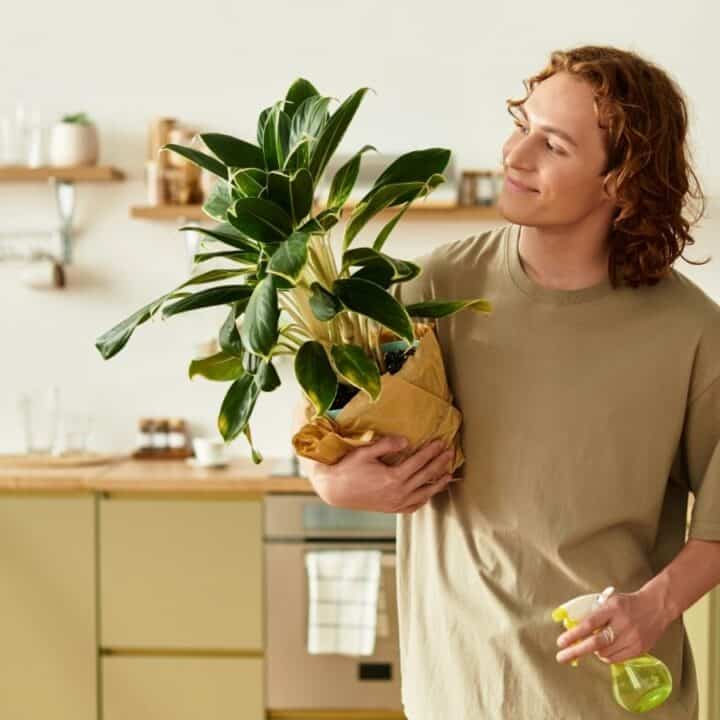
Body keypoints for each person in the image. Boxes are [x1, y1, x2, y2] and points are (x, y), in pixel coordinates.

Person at [292, 45, 720, 719]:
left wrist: (656, 605)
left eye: (551, 144)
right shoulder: (426, 290)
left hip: (613, 702)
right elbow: (326, 438)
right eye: (521, 124)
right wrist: (332, 481)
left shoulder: (693, 331)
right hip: (457, 693)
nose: (514, 156)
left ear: (620, 181)